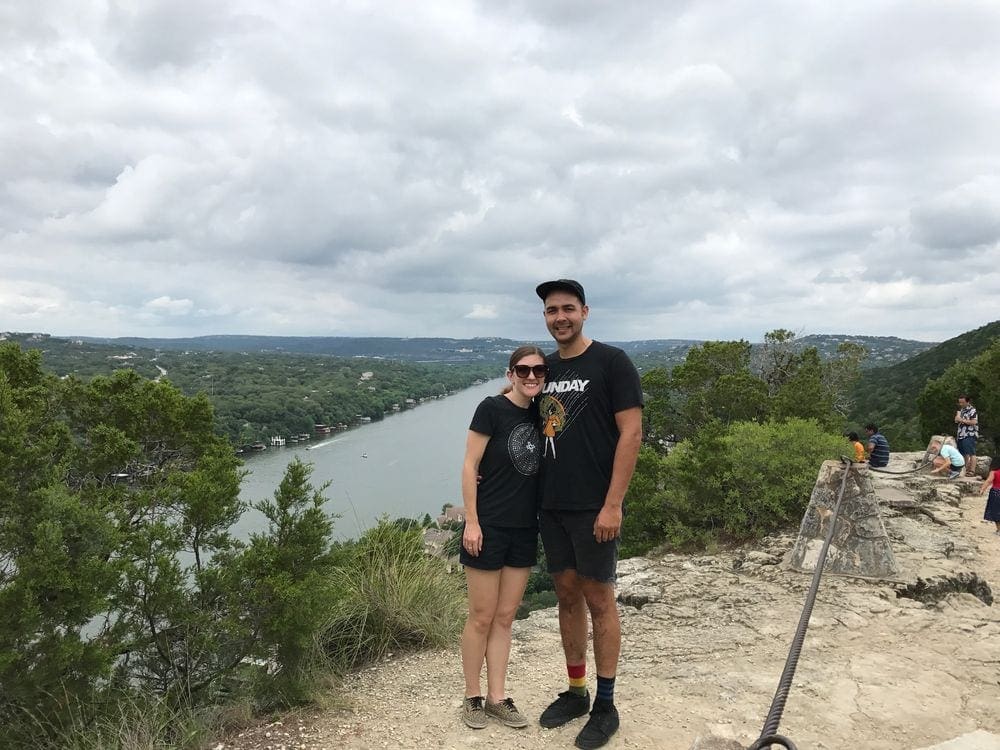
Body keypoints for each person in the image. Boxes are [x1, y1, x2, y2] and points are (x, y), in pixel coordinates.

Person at [533, 279, 643, 750]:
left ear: (585, 312)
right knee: (566, 595)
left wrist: (613, 503)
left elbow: (631, 433)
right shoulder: (542, 369)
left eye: (568, 308)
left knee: (600, 599)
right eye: (552, 310)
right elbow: (517, 420)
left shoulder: (612, 362)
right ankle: (577, 691)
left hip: (594, 506)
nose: (560, 317)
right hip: (550, 504)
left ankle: (606, 703)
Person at [459, 345, 547, 730]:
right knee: (481, 616)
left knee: (506, 617)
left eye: (538, 371)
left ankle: (497, 697)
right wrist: (472, 521)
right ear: (510, 373)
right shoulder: (490, 409)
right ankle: (471, 696)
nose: (531, 377)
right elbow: (469, 465)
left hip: (525, 528)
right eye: (523, 370)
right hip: (490, 525)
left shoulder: (546, 414)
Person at [955, 394, 979, 477]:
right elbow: (956, 420)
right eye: (960, 403)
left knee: (971, 452)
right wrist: (958, 416)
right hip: (961, 434)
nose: (961, 404)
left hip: (969, 434)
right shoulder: (961, 410)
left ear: (967, 402)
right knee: (963, 453)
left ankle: (972, 471)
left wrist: (961, 419)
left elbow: (974, 422)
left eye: (963, 402)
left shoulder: (972, 410)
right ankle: (964, 469)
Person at [978, 456, 1000, 535]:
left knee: (996, 511)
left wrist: (982, 489)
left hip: (996, 492)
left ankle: (999, 530)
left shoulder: (994, 472)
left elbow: (989, 481)